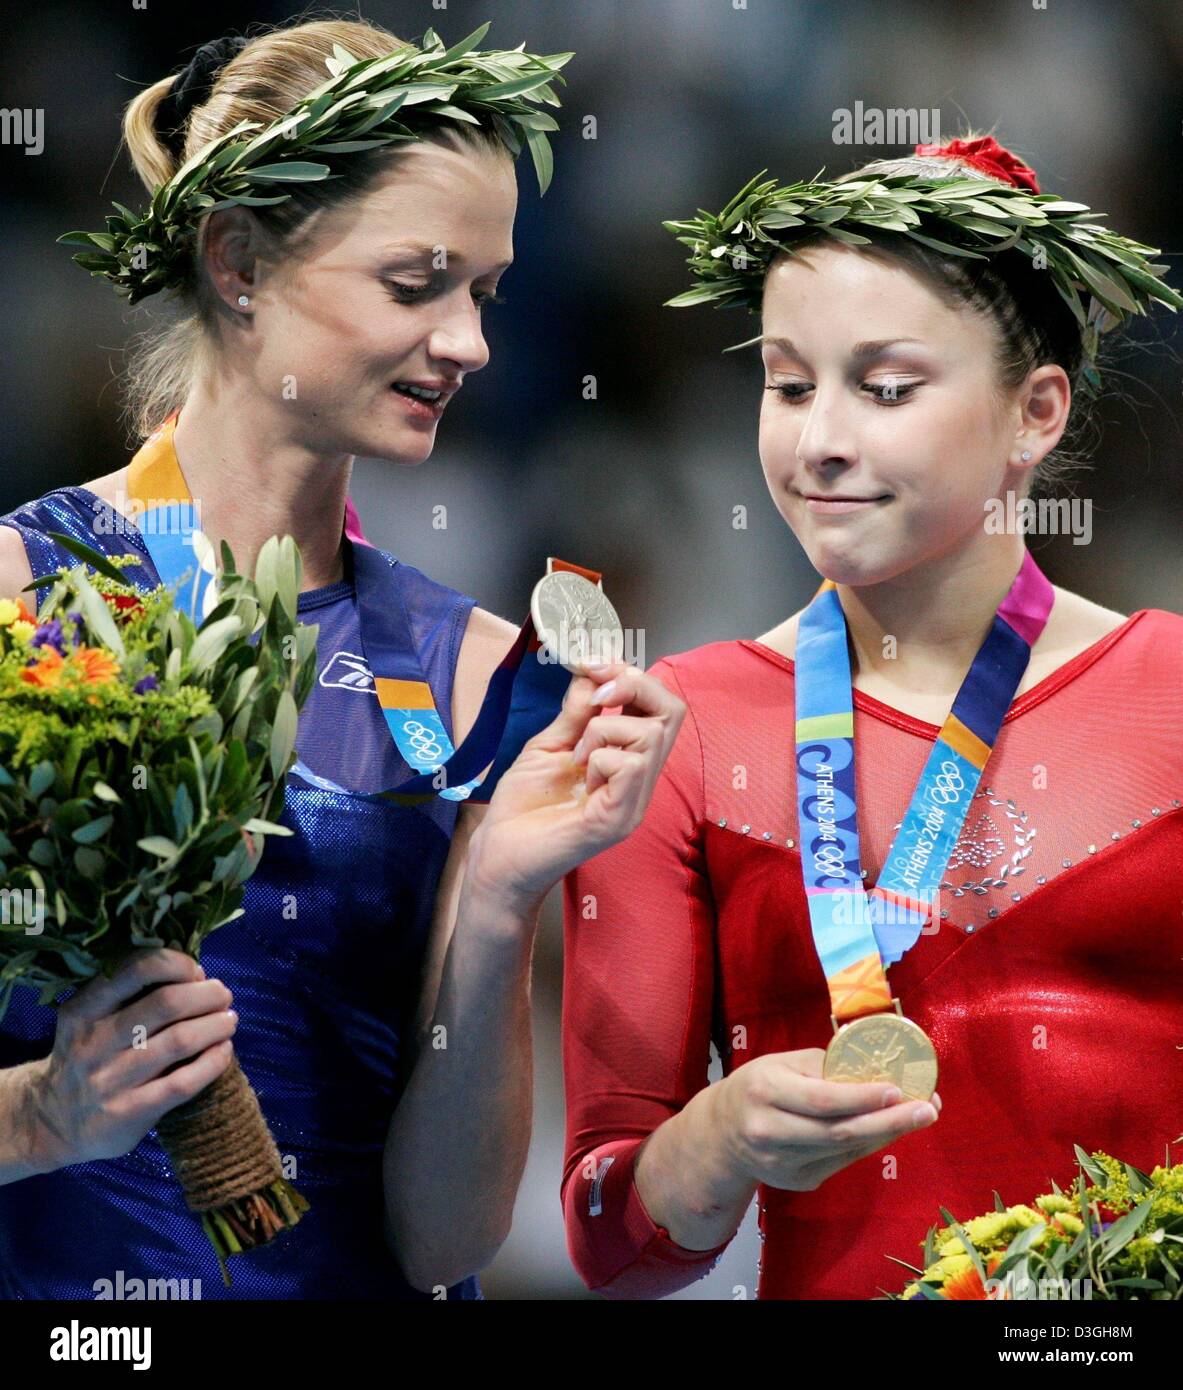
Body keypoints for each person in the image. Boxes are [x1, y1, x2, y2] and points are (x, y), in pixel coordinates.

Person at [0, 17, 684, 1300]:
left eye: (483, 291)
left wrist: (496, 903)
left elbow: (443, 1242)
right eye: (416, 283)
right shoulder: (24, 595)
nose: (472, 342)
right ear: (238, 258)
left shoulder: (481, 674)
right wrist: (39, 1115)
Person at [560, 133, 1183, 1299]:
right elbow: (608, 1236)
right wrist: (720, 1137)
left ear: (1034, 412)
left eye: (885, 388)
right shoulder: (677, 728)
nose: (820, 440)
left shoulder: (1172, 699)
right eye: (789, 385)